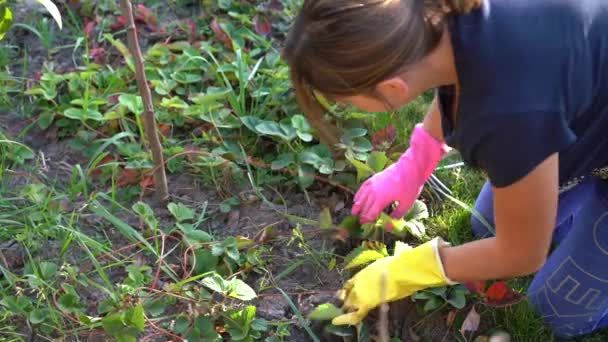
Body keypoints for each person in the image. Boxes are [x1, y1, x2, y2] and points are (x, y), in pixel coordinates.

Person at [282, 0, 608, 339]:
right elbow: (457, 74)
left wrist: (403, 272)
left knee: (555, 314)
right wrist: (415, 161)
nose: (347, 107)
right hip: (578, 99)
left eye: (346, 100)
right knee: (485, 226)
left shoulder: (508, 116)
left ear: (393, 88)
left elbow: (522, 253)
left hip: (553, 111)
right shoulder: (443, 15)